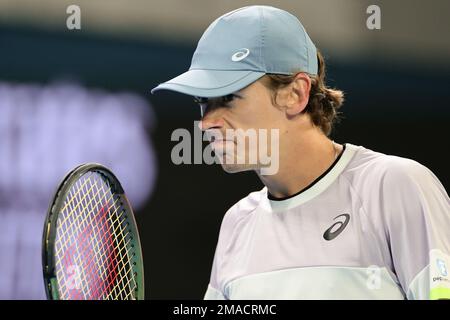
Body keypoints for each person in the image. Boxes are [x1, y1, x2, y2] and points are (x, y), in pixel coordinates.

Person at [152, 5, 450, 299]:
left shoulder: (395, 186)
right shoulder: (237, 224)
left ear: (296, 94)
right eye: (203, 100)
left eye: (229, 97)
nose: (206, 123)